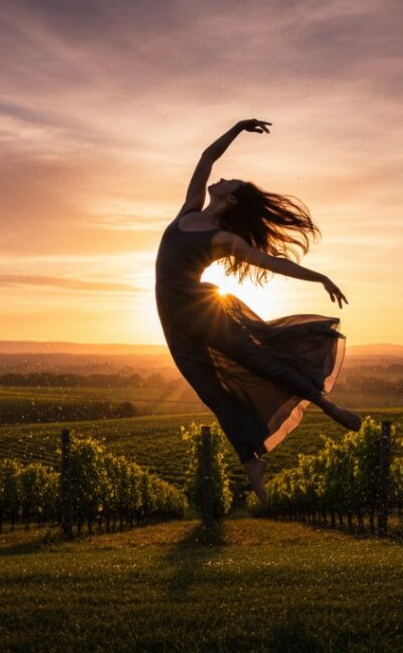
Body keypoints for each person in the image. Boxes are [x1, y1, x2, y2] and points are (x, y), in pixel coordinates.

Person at [154, 118, 362, 504]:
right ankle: (251, 458)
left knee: (256, 356)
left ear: (231, 200)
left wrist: (318, 277)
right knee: (208, 387)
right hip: (171, 316)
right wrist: (237, 127)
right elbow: (207, 157)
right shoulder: (189, 210)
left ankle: (326, 404)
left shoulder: (222, 239)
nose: (222, 178)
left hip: (197, 309)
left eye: (230, 181)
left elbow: (270, 262)